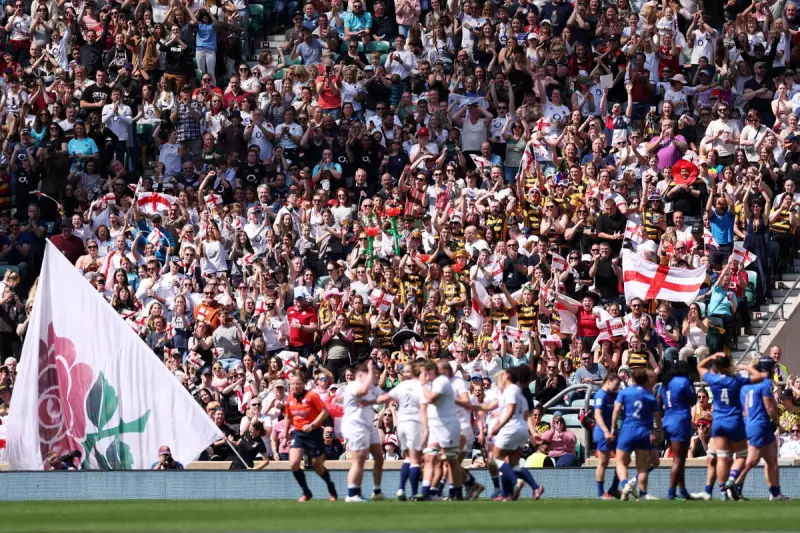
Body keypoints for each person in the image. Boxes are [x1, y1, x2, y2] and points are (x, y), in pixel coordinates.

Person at [697, 352, 765, 501]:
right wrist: (747, 367)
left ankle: (723, 493)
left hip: (719, 422)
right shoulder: (736, 379)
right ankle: (731, 479)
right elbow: (760, 377)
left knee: (722, 457)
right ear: (729, 365)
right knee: (741, 455)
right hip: (734, 421)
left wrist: (712, 356)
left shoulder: (713, 379)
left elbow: (699, 366)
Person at [732, 357, 787, 500]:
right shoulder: (764, 383)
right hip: (760, 424)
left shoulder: (745, 385)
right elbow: (769, 405)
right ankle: (734, 484)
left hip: (749, 423)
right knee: (753, 460)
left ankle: (775, 493)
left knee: (771, 459)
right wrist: (777, 421)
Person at [369, 361, 423, 500]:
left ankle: (400, 489)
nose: (404, 373)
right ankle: (414, 492)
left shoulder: (402, 385)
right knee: (415, 459)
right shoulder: (420, 386)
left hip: (401, 424)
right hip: (413, 423)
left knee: (407, 459)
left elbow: (384, 397)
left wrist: (366, 400)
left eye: (405, 371)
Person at [285, 374, 338, 502]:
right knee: (294, 463)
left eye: (298, 383)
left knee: (317, 465)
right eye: (292, 384)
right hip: (298, 433)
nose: (295, 386)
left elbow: (325, 412)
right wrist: (285, 433)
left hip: (313, 433)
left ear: (304, 384)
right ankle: (306, 492)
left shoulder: (312, 396)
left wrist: (313, 424)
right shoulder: (290, 398)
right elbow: (288, 416)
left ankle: (330, 486)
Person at [337, 360, 385, 502]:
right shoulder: (353, 386)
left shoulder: (372, 387)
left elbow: (382, 397)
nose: (375, 375)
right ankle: (352, 494)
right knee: (359, 460)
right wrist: (370, 370)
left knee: (378, 457)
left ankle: (377, 491)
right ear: (361, 375)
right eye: (371, 373)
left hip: (368, 426)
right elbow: (362, 391)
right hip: (355, 426)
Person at [611, 368, 661, 501]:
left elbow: (616, 411)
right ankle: (643, 494)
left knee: (621, 462)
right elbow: (657, 417)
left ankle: (624, 485)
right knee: (642, 466)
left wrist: (612, 428)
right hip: (644, 431)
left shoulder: (625, 393)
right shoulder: (650, 396)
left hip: (628, 430)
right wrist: (660, 433)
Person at [659, 361, 697, 500]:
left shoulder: (665, 383)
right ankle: (671, 492)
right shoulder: (683, 381)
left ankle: (682, 490)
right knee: (679, 459)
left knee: (678, 458)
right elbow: (693, 399)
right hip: (680, 421)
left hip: (668, 421)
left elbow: (659, 401)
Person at [593, 374, 621, 499]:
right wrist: (605, 431)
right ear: (609, 382)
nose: (617, 388)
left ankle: (614, 488)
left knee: (623, 459)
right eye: (615, 385)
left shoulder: (613, 395)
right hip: (602, 432)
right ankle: (600, 493)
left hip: (613, 432)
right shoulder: (601, 395)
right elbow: (597, 415)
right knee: (603, 462)